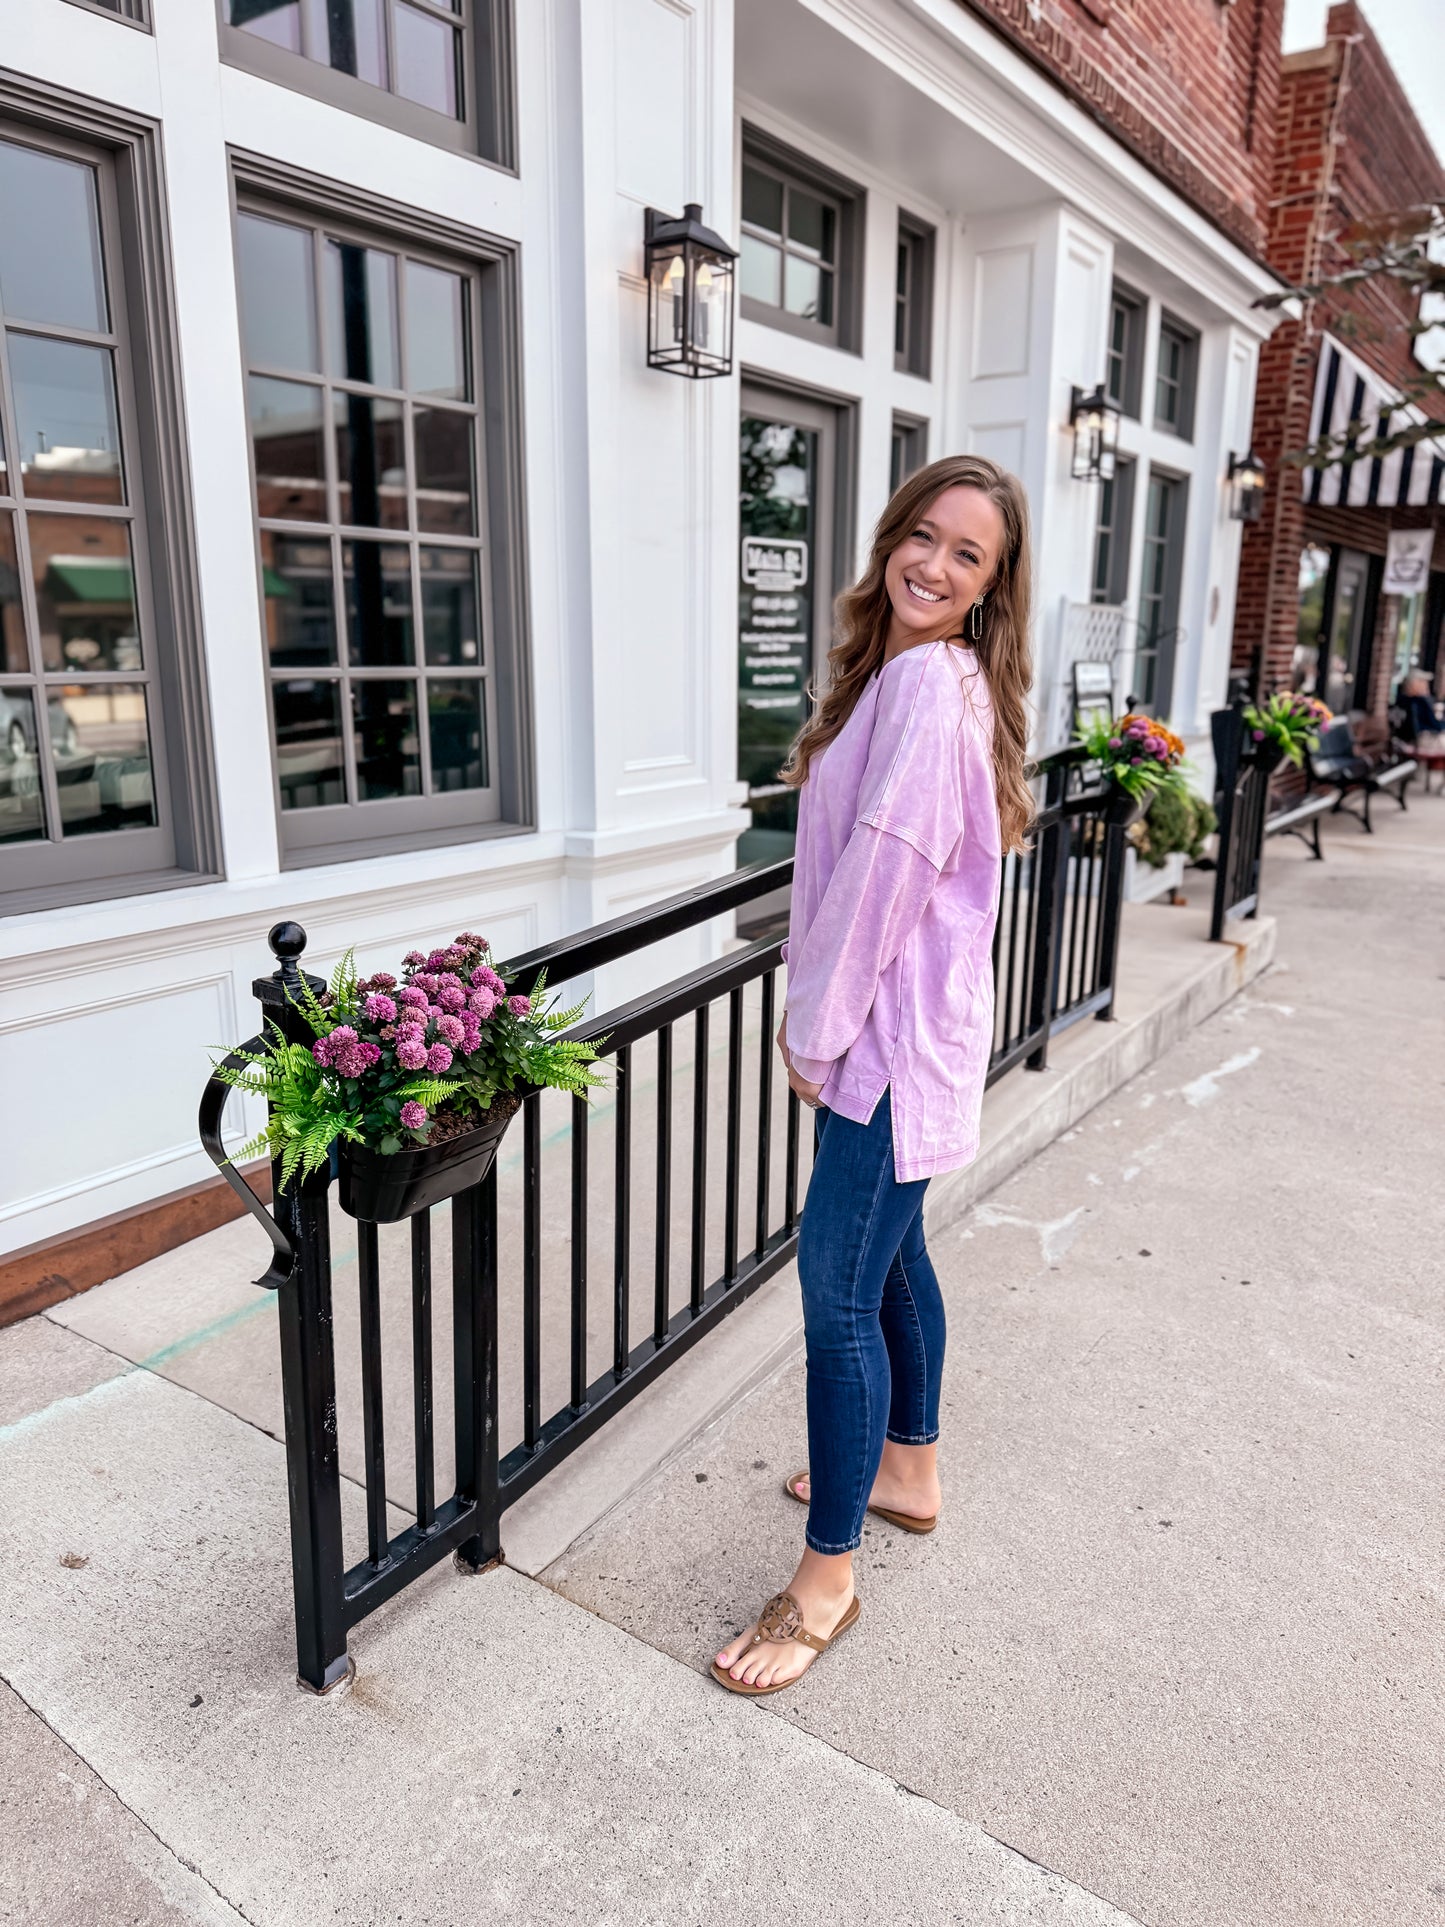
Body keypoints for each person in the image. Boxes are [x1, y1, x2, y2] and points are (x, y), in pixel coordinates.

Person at [712, 454, 1035, 1697]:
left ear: (988, 588)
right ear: (891, 535)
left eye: (967, 555)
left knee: (835, 1298)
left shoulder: (925, 688)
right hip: (915, 1033)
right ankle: (906, 1470)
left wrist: (814, 1026)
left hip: (885, 1041)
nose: (933, 564)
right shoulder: (916, 676)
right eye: (924, 534)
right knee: (892, 1260)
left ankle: (825, 1578)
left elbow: (883, 876)